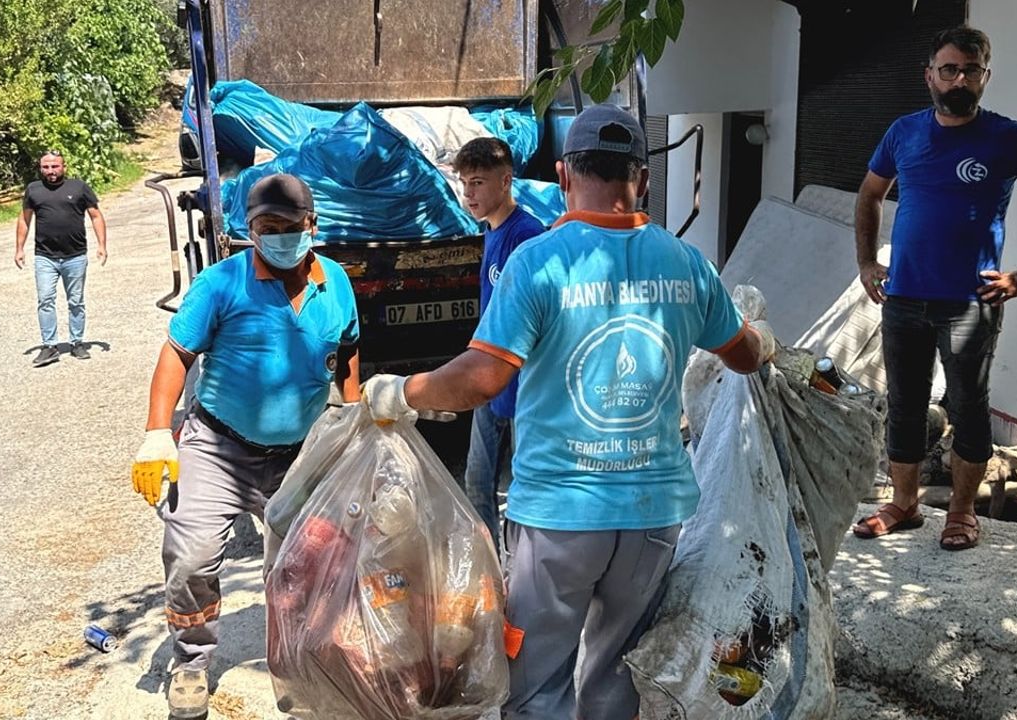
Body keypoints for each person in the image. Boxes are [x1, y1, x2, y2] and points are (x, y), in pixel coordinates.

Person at [361, 104, 777, 720]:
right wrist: (762, 337)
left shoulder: (539, 261)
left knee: (536, 682)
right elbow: (743, 355)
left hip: (560, 515)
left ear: (562, 174)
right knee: (618, 672)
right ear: (642, 176)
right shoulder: (687, 262)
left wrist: (402, 392)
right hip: (652, 517)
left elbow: (481, 379)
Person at [129, 174, 360, 718]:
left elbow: (347, 349)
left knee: (316, 557)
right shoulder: (221, 283)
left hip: (300, 454)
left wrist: (351, 420)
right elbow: (177, 353)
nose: (278, 237)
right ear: (248, 230)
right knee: (191, 556)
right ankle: (190, 661)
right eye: (265, 228)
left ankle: (308, 653)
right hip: (217, 447)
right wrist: (158, 432)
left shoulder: (338, 284)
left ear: (313, 226)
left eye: (289, 227)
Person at [852, 26, 1017, 550]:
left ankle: (961, 512)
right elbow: (869, 196)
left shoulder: (1010, 138)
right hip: (904, 297)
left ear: (985, 76)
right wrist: (867, 262)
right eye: (949, 69)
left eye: (970, 70)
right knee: (906, 404)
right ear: (929, 75)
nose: (959, 79)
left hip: (969, 305)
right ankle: (905, 503)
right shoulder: (903, 133)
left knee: (967, 406)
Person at [453, 137, 546, 548]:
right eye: (464, 184)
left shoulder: (525, 236)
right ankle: (489, 577)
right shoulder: (491, 231)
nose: (468, 194)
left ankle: (524, 574)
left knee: (526, 491)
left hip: (524, 387)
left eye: (477, 183)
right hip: (489, 384)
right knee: (477, 484)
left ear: (506, 180)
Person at [14, 151, 108, 366]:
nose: (51, 171)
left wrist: (102, 245)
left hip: (75, 256)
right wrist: (19, 248)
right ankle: (50, 346)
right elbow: (24, 220)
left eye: (55, 166)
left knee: (76, 301)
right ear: (41, 169)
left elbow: (96, 216)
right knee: (45, 300)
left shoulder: (79, 188)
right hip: (45, 256)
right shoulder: (33, 190)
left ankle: (77, 343)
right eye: (46, 167)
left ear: (63, 166)